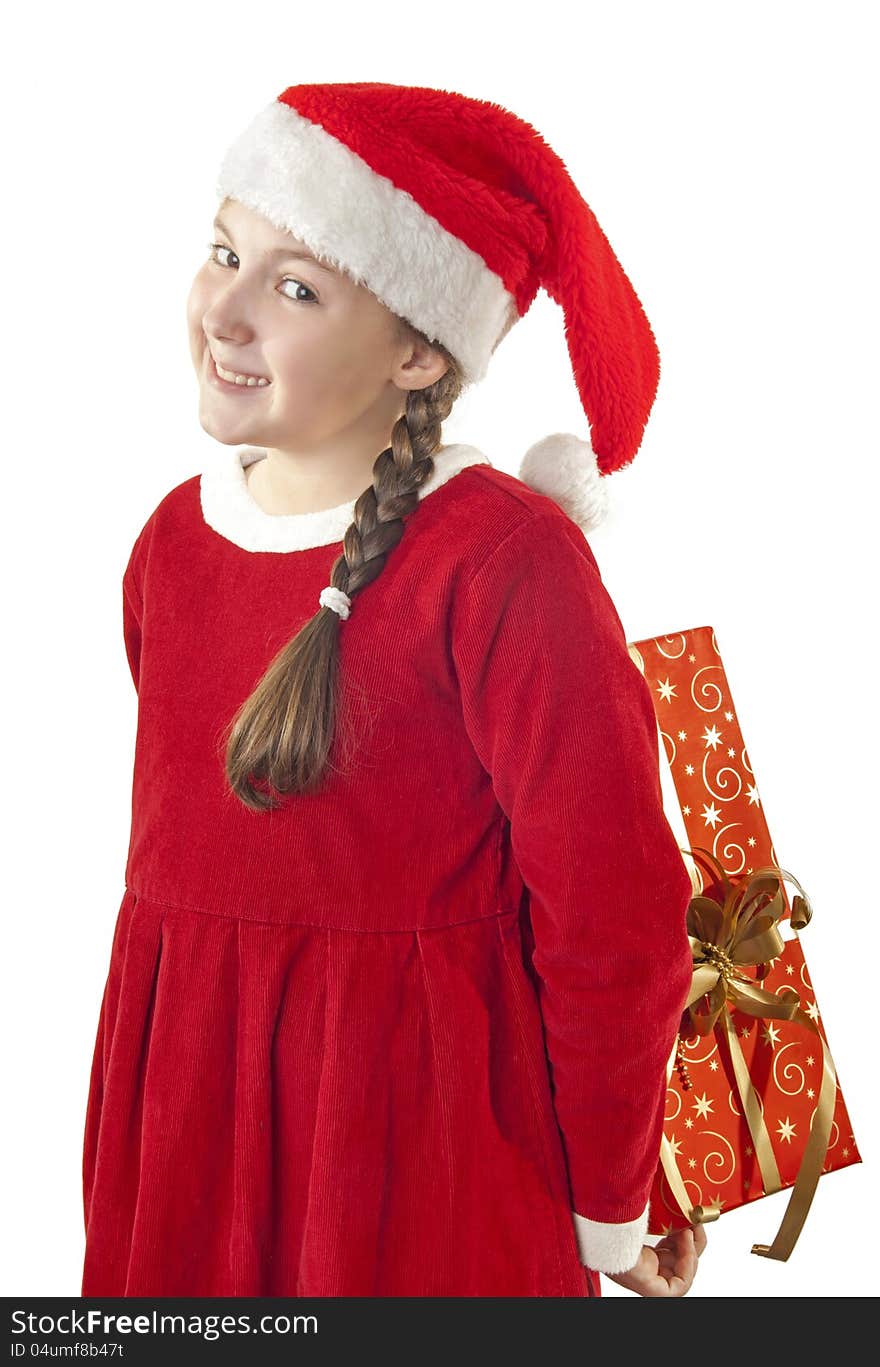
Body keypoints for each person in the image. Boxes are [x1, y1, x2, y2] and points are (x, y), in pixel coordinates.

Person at [80, 80, 706, 1298]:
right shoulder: (169, 545)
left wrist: (608, 1205)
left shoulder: (506, 564)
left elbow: (615, 914)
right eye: (225, 252)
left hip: (421, 1171)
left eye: (296, 285)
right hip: (189, 1157)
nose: (227, 308)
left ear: (418, 349)